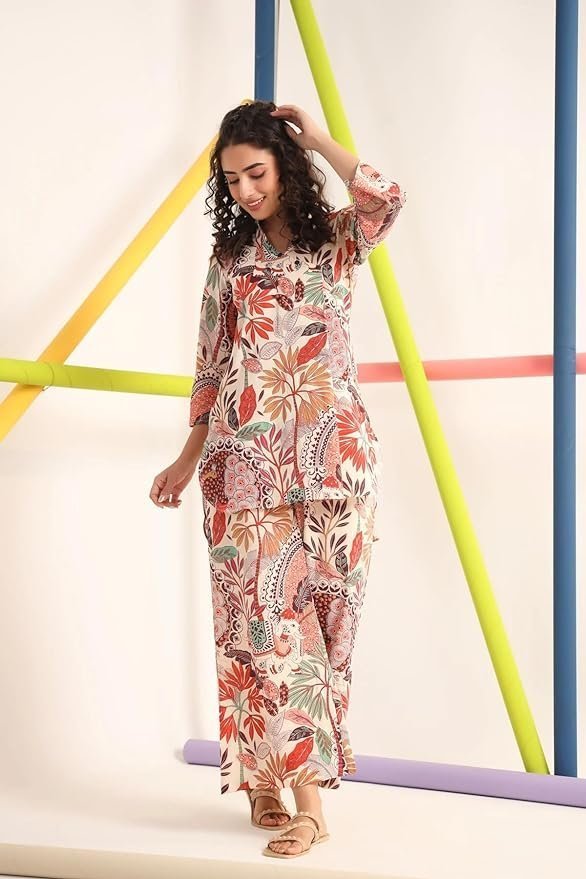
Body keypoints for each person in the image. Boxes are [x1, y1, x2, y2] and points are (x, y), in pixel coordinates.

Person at [149, 100, 406, 859]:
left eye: (256, 172)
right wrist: (187, 458)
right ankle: (308, 806)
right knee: (263, 631)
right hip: (245, 472)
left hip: (339, 466)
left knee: (330, 633)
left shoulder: (337, 240)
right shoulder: (230, 262)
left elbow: (386, 198)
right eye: (231, 180)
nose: (246, 191)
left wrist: (318, 138)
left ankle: (269, 772)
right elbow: (211, 367)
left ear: (285, 166)